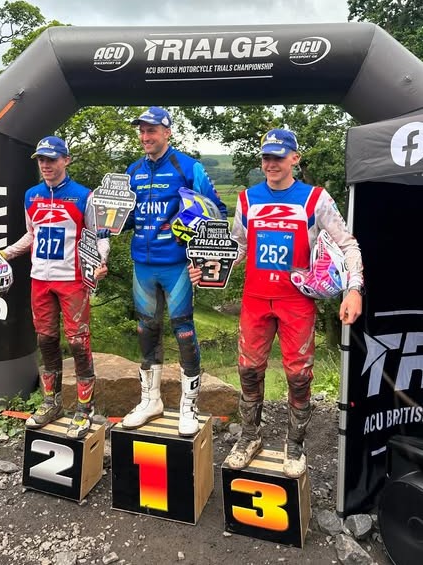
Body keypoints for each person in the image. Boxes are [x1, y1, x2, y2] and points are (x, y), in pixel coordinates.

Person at [190, 128, 364, 477]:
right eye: (266, 157)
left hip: (296, 301)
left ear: (294, 159)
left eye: (278, 157)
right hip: (255, 299)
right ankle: (250, 436)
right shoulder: (247, 199)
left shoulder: (315, 199)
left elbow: (348, 244)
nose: (271, 163)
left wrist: (354, 289)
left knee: (298, 375)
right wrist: (211, 267)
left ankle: (295, 443)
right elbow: (239, 246)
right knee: (249, 370)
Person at [122, 106, 227, 437]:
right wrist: (107, 216)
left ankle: (189, 405)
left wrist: (201, 259)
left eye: (152, 130)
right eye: (142, 131)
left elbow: (216, 211)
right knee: (146, 330)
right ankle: (150, 400)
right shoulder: (132, 170)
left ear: (167, 132)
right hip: (143, 265)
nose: (145, 136)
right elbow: (126, 218)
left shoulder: (188, 167)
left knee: (183, 331)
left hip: (177, 266)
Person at [0, 135, 109, 439]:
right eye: (41, 160)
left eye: (51, 159)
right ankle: (52, 403)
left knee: (78, 342)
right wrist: (6, 254)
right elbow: (32, 234)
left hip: (72, 279)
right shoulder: (31, 196)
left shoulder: (84, 196)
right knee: (46, 340)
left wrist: (101, 262)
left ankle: (85, 409)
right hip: (40, 279)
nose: (45, 165)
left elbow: (99, 235)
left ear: (66, 160)